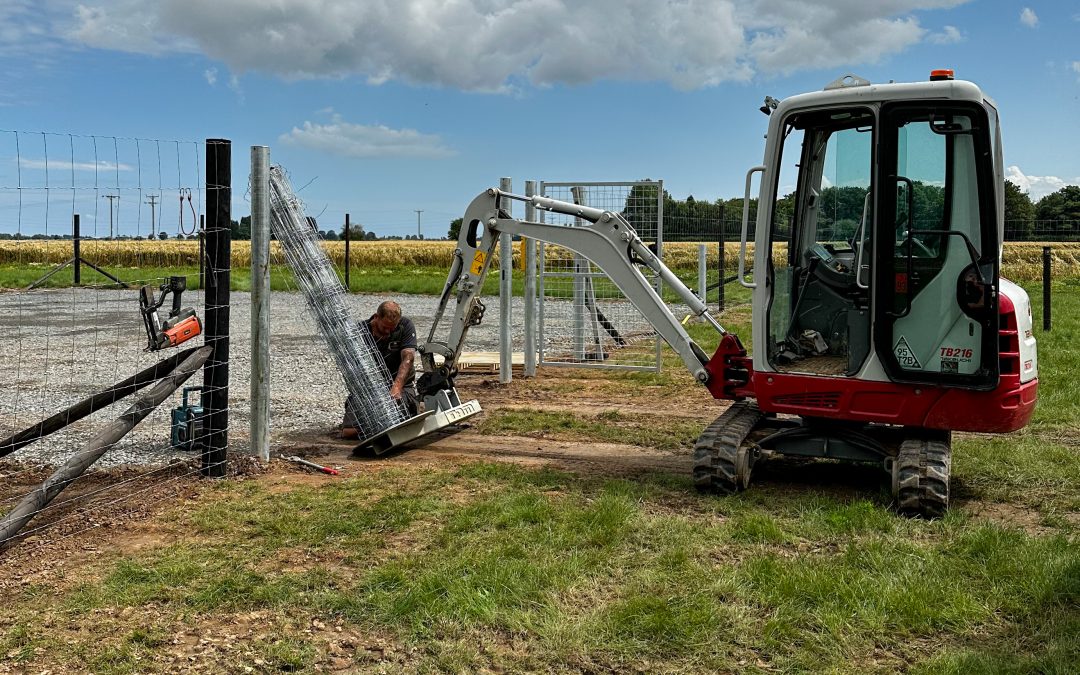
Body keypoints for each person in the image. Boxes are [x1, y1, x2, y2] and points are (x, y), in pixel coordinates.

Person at [341, 300, 420, 439]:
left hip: (399, 387)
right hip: (369, 389)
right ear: (376, 317)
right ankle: (380, 426)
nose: (388, 332)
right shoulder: (359, 333)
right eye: (384, 328)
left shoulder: (405, 326)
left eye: (392, 328)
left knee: (406, 418)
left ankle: (385, 424)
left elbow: (408, 358)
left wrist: (396, 387)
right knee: (348, 432)